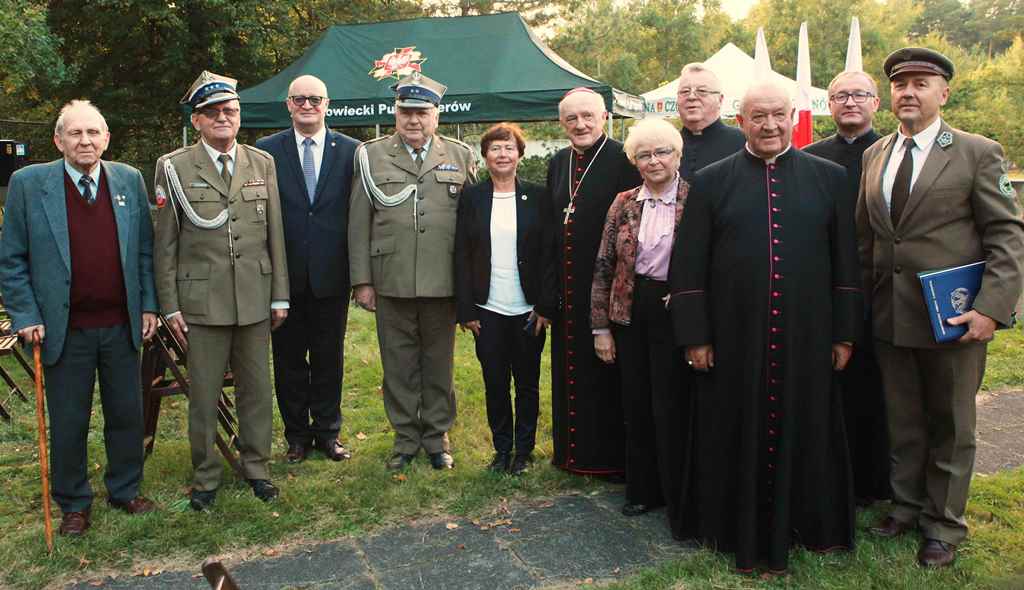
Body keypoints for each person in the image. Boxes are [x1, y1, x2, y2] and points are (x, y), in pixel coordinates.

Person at [669, 82, 862, 573]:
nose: (770, 125)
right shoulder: (711, 181)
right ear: (741, 120)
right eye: (759, 116)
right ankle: (730, 525)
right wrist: (696, 336)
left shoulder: (830, 177)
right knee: (734, 426)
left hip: (809, 334)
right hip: (734, 338)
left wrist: (844, 334)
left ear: (793, 116)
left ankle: (806, 524)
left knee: (809, 425)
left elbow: (846, 262)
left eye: (778, 115)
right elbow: (689, 265)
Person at [858, 47, 1024, 567]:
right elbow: (870, 239)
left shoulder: (977, 151)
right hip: (891, 314)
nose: (909, 92)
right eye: (900, 83)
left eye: (921, 84)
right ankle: (906, 507)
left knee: (951, 424)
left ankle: (945, 525)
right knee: (902, 419)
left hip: (953, 315)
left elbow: (1006, 235)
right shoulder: (875, 154)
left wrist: (991, 309)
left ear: (943, 93)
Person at [0, 100, 158, 535]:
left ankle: (125, 489)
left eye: (93, 133)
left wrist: (148, 305)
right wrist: (26, 314)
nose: (85, 141)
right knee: (69, 418)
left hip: (121, 323)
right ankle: (73, 501)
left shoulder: (128, 179)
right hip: (62, 329)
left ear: (107, 139)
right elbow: (11, 259)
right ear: (58, 140)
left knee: (126, 412)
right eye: (75, 133)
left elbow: (145, 251)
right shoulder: (29, 184)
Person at [153, 71, 289, 511]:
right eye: (212, 113)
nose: (223, 118)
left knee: (256, 390)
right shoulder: (173, 167)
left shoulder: (261, 163)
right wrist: (170, 305)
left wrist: (280, 294)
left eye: (229, 110)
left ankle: (257, 468)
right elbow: (165, 244)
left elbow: (275, 235)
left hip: (254, 295)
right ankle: (206, 475)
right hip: (202, 302)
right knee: (204, 395)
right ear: (197, 121)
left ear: (239, 115)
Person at [349, 72, 477, 471]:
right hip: (392, 279)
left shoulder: (460, 156)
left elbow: (472, 227)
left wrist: (469, 284)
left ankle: (437, 436)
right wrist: (362, 281)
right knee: (399, 364)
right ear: (395, 114)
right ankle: (405, 438)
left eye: (422, 112)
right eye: (406, 112)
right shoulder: (370, 156)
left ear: (436, 115)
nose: (413, 120)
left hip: (443, 280)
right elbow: (358, 222)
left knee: (439, 363)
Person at [591, 119, 692, 529]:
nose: (653, 161)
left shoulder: (697, 198)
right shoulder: (624, 202)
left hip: (679, 313)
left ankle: (678, 493)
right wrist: (600, 328)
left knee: (674, 404)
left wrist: (686, 295)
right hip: (630, 312)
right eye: (644, 155)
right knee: (637, 403)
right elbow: (603, 265)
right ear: (634, 161)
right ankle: (642, 490)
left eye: (662, 152)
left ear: (678, 155)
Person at [255, 75, 359, 465]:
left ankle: (328, 432)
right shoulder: (266, 152)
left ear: (327, 103)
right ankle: (296, 436)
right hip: (285, 275)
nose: (307, 105)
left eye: (315, 98)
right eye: (299, 99)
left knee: (329, 358)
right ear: (288, 105)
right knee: (289, 360)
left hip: (333, 274)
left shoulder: (351, 151)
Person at [804, 70, 890, 505]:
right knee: (836, 385)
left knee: (880, 388)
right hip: (829, 290)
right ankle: (835, 475)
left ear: (876, 102)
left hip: (884, 289)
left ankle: (880, 481)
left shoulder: (893, 152)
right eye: (839, 96)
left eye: (859, 95)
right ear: (829, 105)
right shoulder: (809, 158)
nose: (850, 102)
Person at [546, 88, 640, 475]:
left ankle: (609, 459)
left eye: (588, 116)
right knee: (573, 371)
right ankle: (572, 454)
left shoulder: (625, 159)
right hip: (569, 287)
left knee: (608, 374)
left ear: (604, 117)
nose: (580, 124)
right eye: (572, 119)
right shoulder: (558, 162)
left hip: (609, 285)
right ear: (562, 123)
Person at [454, 123, 556, 475]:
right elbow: (461, 255)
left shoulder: (539, 196)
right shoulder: (472, 197)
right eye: (495, 148)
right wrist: (465, 309)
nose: (502, 154)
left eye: (509, 148)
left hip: (528, 310)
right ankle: (502, 450)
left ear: (519, 154)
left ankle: (524, 453)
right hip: (488, 309)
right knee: (495, 383)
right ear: (484, 156)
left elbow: (549, 255)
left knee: (527, 384)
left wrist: (545, 306)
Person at [675, 63, 745, 182]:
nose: (691, 97)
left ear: (720, 99)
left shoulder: (743, 143)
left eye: (702, 91)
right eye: (685, 91)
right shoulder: (666, 145)